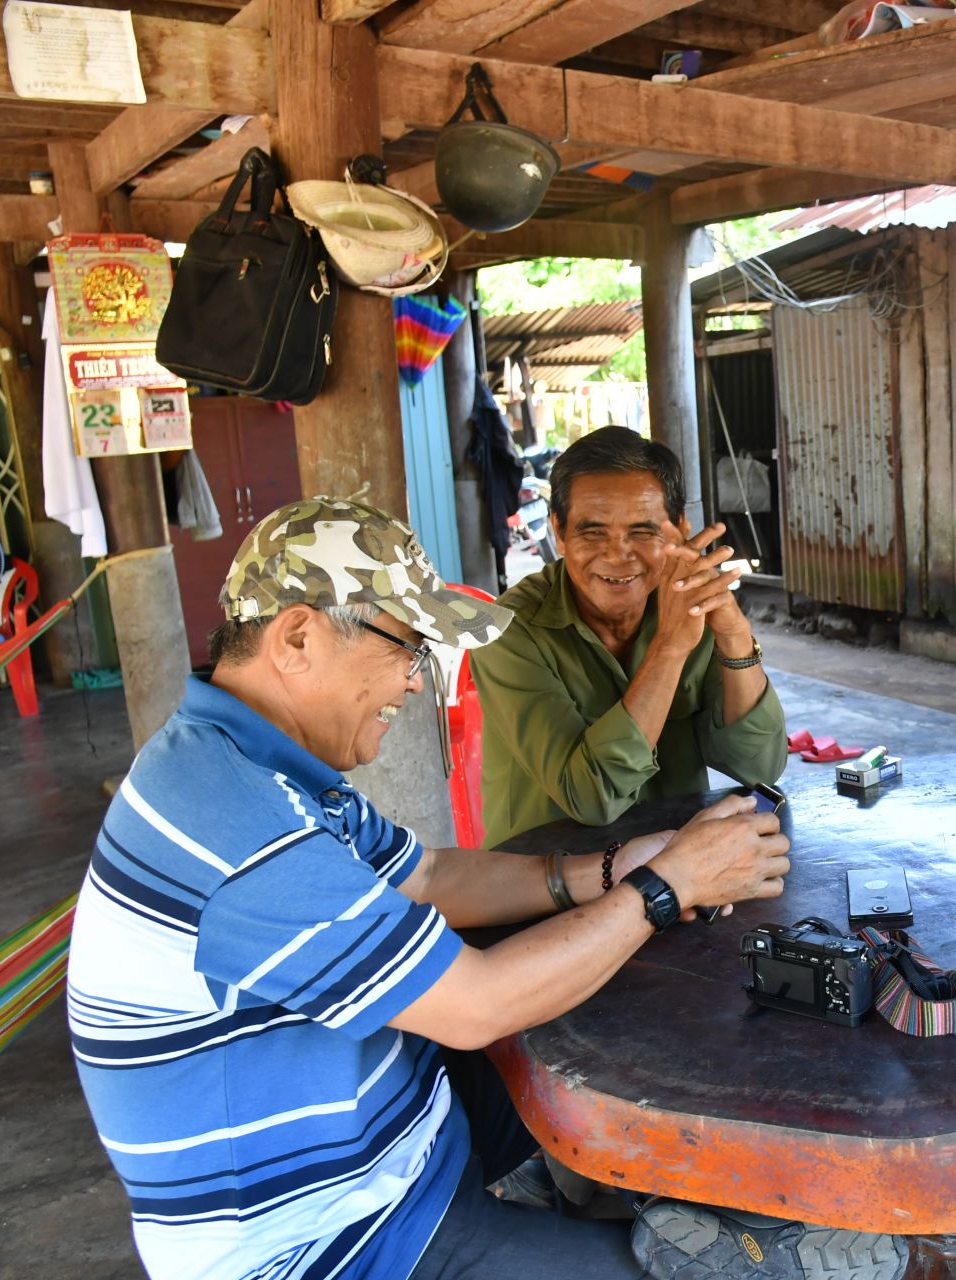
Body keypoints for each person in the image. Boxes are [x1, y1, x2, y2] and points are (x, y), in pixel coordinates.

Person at [67, 498, 901, 1280]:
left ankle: (636, 1195)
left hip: (402, 1136)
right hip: (328, 1241)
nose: (413, 683)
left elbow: (428, 874)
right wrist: (660, 885)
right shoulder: (239, 825)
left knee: (625, 1048)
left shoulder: (249, 759)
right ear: (297, 638)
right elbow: (474, 1006)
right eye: (405, 648)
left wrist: (611, 870)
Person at [472, 427, 787, 848]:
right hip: (547, 883)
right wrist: (670, 647)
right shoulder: (505, 630)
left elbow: (759, 766)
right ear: (559, 533)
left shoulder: (687, 603)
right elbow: (591, 797)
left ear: (678, 529)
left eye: (643, 531)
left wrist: (733, 636)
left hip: (678, 868)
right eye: (593, 532)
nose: (618, 554)